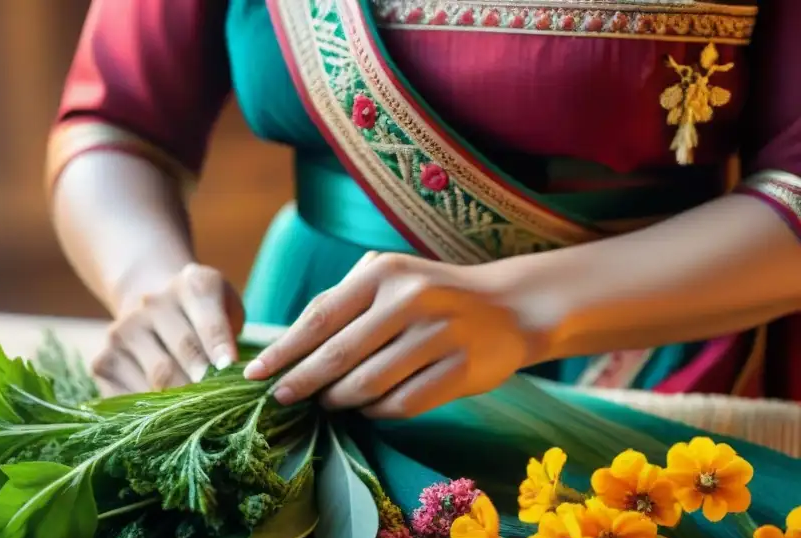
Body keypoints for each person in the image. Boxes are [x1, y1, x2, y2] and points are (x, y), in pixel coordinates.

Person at [47, 0, 801, 418]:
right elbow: (116, 123)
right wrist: (150, 284)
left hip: (647, 353)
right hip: (310, 352)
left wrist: (524, 310)